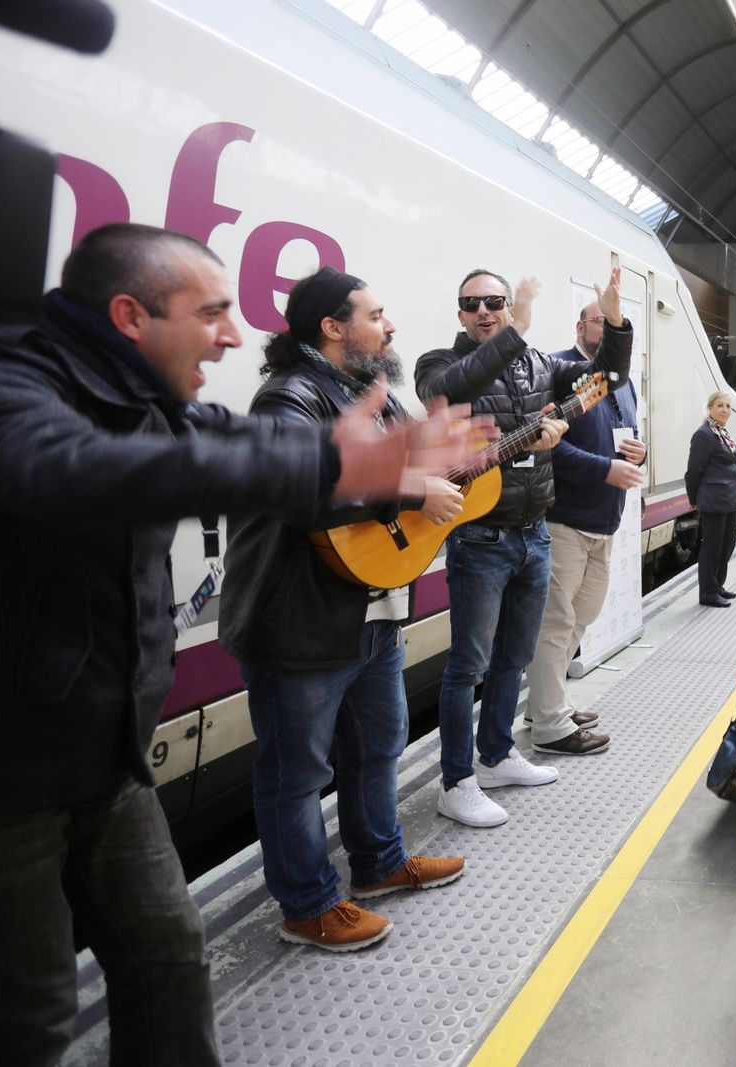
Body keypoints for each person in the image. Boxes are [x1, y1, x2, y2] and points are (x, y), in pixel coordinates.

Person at [0, 223, 469, 1064]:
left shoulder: (146, 396)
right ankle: (310, 899)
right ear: (131, 313)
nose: (232, 333)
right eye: (212, 311)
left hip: (108, 761)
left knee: (171, 960)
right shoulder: (17, 387)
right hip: (14, 775)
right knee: (31, 1016)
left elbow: (228, 437)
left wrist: (347, 459)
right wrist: (334, 472)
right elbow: (69, 469)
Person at [219, 267, 468, 950]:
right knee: (297, 773)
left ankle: (380, 864)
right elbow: (304, 494)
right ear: (332, 327)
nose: (389, 325)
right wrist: (409, 490)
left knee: (377, 746)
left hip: (371, 610)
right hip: (296, 618)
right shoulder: (288, 399)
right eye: (376, 314)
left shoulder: (371, 394)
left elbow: (423, 455)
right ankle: (306, 904)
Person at [417, 267, 632, 826]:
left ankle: (495, 757)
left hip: (534, 533)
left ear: (506, 305)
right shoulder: (437, 365)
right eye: (473, 304)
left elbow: (605, 380)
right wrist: (517, 330)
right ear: (460, 314)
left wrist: (614, 320)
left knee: (513, 657)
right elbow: (448, 393)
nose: (484, 311)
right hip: (479, 540)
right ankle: (457, 781)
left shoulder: (540, 367)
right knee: (469, 665)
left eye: (495, 302)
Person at [524, 300, 647, 755]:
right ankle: (551, 726)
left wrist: (639, 454)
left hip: (604, 523)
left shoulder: (623, 382)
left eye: (617, 325)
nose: (612, 330)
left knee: (583, 616)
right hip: (565, 521)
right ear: (581, 326)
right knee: (556, 623)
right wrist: (605, 470)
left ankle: (543, 702)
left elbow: (628, 437)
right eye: (604, 321)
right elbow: (545, 448)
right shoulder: (563, 374)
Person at [686, 390, 736, 607]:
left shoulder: (721, 433)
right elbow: (693, 471)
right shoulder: (704, 435)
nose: (725, 410)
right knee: (712, 547)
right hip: (713, 500)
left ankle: (718, 585)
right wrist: (693, 497)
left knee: (727, 544)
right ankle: (708, 593)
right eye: (720, 405)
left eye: (728, 406)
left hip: (728, 499)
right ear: (710, 408)